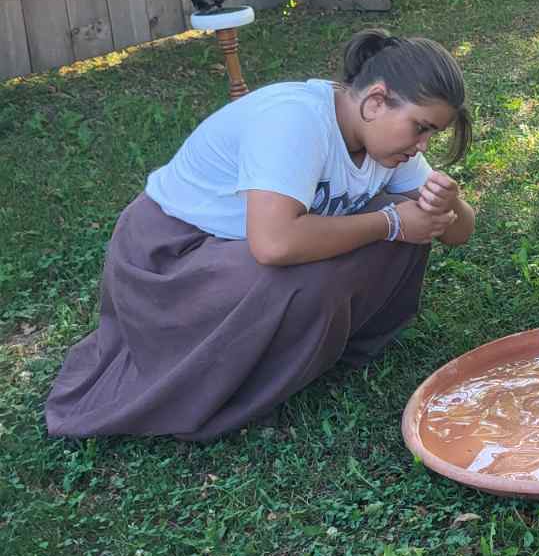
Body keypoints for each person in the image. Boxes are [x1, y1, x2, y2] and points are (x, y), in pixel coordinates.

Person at [46, 30, 477, 441]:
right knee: (316, 271)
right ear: (376, 100)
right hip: (171, 257)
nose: (422, 145)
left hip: (235, 250)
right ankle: (238, 382)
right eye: (420, 128)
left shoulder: (387, 140)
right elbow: (275, 245)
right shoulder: (295, 119)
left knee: (395, 230)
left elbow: (459, 233)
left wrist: (447, 207)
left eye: (431, 134)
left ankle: (321, 356)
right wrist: (393, 222)